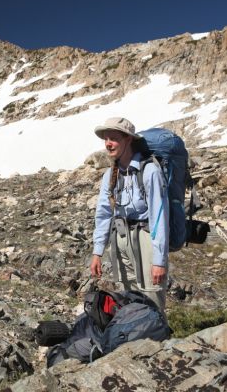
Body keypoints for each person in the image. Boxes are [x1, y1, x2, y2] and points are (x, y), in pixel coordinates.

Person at [90, 117, 169, 317]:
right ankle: (135, 342)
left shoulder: (149, 170)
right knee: (128, 297)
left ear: (128, 140)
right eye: (106, 139)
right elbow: (104, 213)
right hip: (121, 239)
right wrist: (97, 251)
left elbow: (159, 216)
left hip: (145, 237)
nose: (108, 143)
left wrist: (159, 260)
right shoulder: (110, 175)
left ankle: (157, 340)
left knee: (151, 297)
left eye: (114, 138)